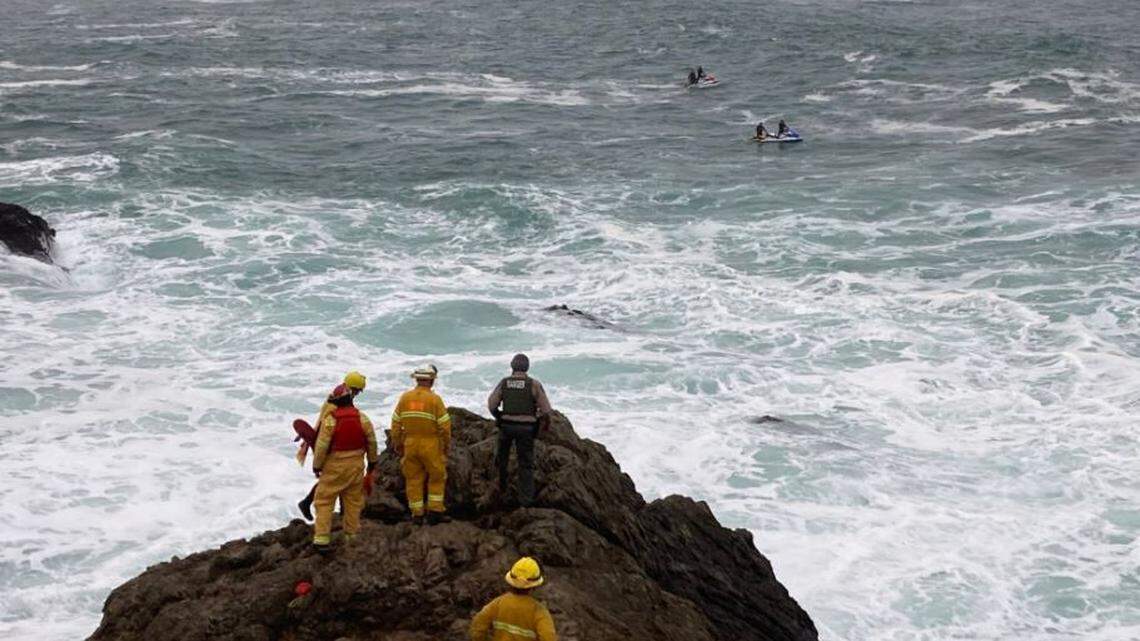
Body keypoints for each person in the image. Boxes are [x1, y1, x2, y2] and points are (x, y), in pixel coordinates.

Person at [311, 382, 378, 551]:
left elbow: (321, 447)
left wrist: (317, 466)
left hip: (334, 467)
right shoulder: (363, 418)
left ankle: (321, 539)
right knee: (353, 502)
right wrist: (372, 462)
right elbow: (372, 442)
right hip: (356, 467)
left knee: (324, 501)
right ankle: (351, 536)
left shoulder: (330, 421)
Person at [298, 371, 367, 520]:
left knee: (336, 479)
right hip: (330, 445)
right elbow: (327, 423)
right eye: (356, 391)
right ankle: (308, 503)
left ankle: (338, 510)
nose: (357, 394)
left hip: (330, 443)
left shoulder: (339, 394)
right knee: (334, 480)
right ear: (352, 388)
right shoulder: (338, 400)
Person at [487, 353, 552, 507]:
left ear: (512, 366)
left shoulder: (504, 383)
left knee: (502, 460)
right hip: (526, 429)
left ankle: (501, 489)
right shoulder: (534, 384)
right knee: (526, 465)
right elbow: (546, 410)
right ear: (527, 367)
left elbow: (491, 404)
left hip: (506, 427)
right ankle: (526, 500)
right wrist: (541, 423)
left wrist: (499, 417)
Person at [390, 364, 452, 525]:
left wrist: (398, 444)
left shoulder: (405, 398)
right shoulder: (434, 399)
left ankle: (417, 514)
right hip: (431, 445)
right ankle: (435, 512)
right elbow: (445, 427)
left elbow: (395, 425)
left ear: (417, 380)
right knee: (437, 477)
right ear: (431, 381)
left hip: (410, 444)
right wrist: (446, 446)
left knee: (413, 479)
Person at [469, 557, 557, 641]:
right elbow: (548, 638)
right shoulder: (539, 612)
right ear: (534, 586)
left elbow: (477, 628)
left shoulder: (498, 603)